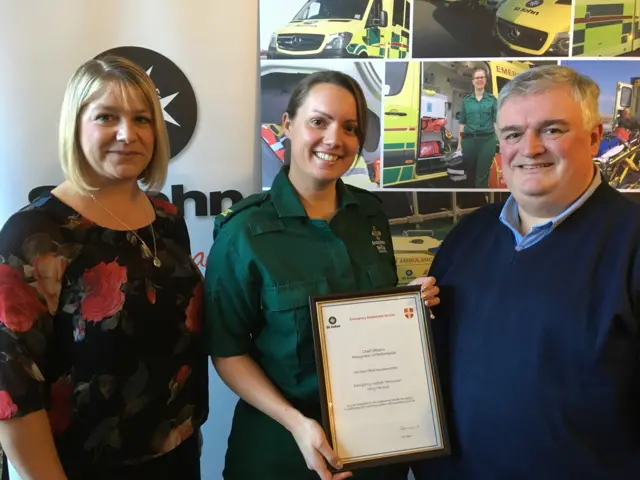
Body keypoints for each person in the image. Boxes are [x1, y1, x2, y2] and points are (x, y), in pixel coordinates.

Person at [203, 70, 440, 480]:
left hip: (376, 447)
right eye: (319, 121)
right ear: (288, 125)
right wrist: (296, 422)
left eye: (350, 128)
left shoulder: (370, 216)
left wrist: (409, 306)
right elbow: (227, 351)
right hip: (281, 451)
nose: (335, 139)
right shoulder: (244, 233)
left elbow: (367, 320)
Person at [412, 64, 640, 479]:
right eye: (513, 134)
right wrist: (407, 320)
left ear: (593, 137)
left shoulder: (632, 241)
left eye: (552, 130)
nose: (530, 148)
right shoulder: (466, 235)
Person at [0, 56, 208, 479]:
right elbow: (13, 394)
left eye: (142, 119)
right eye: (106, 117)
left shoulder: (166, 218)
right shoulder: (35, 235)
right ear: (75, 126)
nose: (127, 134)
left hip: (179, 459)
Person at [456, 67, 498, 188]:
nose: (479, 80)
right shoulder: (466, 101)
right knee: (468, 175)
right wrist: (459, 145)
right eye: (477, 77)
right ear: (473, 81)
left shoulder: (492, 100)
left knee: (482, 177)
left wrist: (500, 141)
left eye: (482, 77)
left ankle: (481, 201)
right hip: (469, 141)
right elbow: (462, 123)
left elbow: (495, 122)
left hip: (487, 141)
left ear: (485, 80)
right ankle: (469, 202)